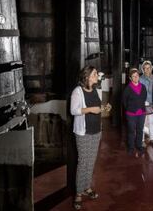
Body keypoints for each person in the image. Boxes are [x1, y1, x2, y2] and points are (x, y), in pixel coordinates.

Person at [70, 66, 102, 210]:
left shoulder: (95, 90)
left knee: (91, 161)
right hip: (83, 132)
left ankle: (87, 187)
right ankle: (78, 193)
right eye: (95, 74)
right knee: (83, 162)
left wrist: (103, 108)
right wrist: (90, 109)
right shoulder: (77, 91)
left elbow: (97, 108)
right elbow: (74, 110)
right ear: (87, 76)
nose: (97, 75)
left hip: (96, 131)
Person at [122, 68, 147, 157]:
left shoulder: (143, 87)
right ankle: (131, 147)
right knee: (131, 131)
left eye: (137, 76)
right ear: (130, 78)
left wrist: (139, 106)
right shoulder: (127, 89)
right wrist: (130, 108)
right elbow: (124, 101)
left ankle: (139, 146)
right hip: (131, 114)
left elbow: (144, 97)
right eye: (133, 76)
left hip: (141, 113)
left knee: (140, 130)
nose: (136, 78)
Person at [140, 60, 153, 145]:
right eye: (145, 68)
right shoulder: (140, 79)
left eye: (148, 68)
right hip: (142, 103)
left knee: (152, 121)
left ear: (151, 68)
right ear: (143, 69)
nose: (147, 70)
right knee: (142, 122)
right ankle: (141, 140)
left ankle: (152, 138)